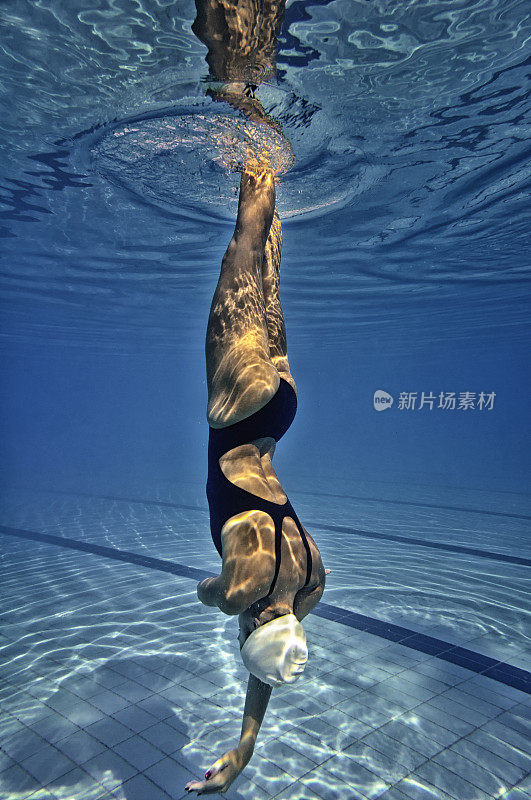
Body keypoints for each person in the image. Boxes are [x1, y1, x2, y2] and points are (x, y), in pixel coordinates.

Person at [184, 164, 328, 795]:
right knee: (244, 241)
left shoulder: (312, 586)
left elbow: (270, 665)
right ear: (248, 626)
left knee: (268, 269)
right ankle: (257, 128)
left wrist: (243, 753)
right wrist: (217, 596)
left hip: (280, 409)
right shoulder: (242, 592)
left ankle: (269, 166)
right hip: (237, 406)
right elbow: (208, 594)